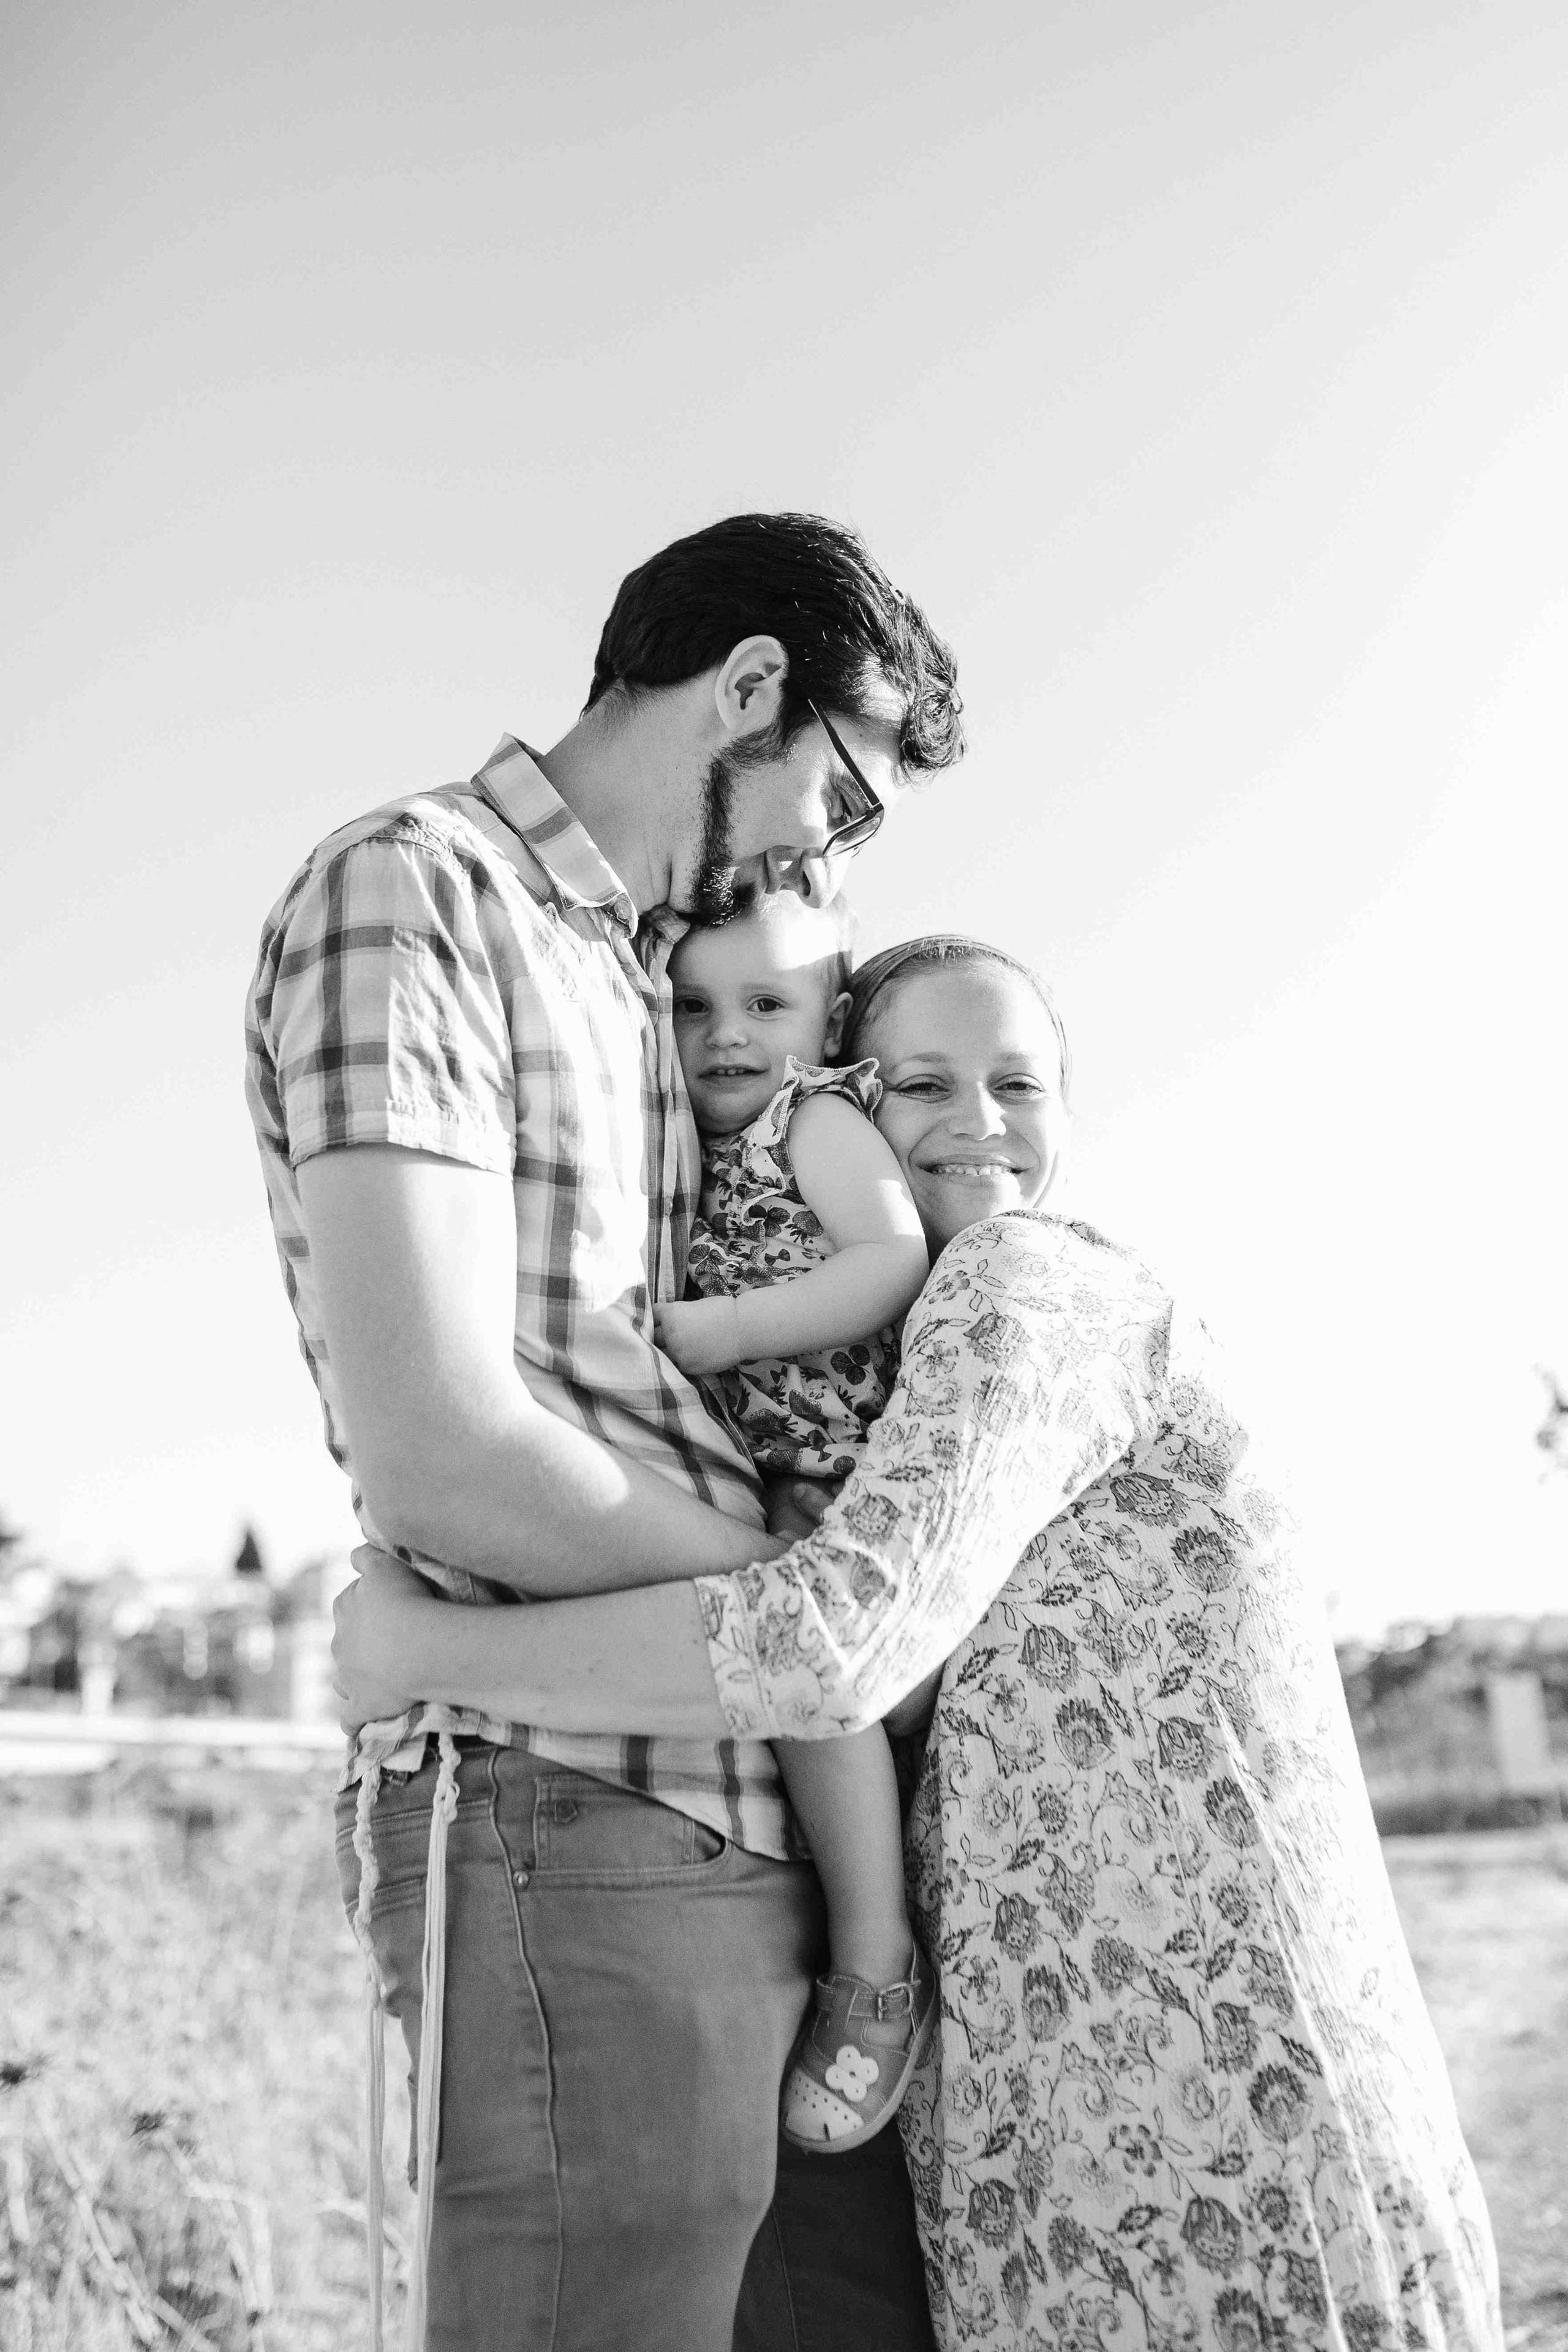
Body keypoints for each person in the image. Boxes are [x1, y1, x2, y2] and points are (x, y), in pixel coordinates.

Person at [335, 935, 1504, 2352]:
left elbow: (833, 1644)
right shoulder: (900, 1378)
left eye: (1018, 1081)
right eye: (920, 1082)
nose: (975, 1120)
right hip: (1063, 2120)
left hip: (1225, 2098)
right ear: (847, 1105)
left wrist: (421, 1657)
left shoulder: (1031, 1284)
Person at [243, 513, 963, 2352]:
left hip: (748, 1793)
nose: (833, 846)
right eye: (844, 795)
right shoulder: (421, 890)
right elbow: (445, 1448)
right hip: (577, 1798)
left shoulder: (655, 978)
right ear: (743, 689)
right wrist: (819, 1620)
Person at [656, 891, 936, 2152]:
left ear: (824, 1022)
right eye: (693, 1006)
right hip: (776, 1479)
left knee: (806, 1685)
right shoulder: (676, 1146)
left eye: (763, 1004)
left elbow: (887, 1260)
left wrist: (717, 1331)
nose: (725, 1035)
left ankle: (873, 1972)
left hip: (850, 1470)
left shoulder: (807, 1119)